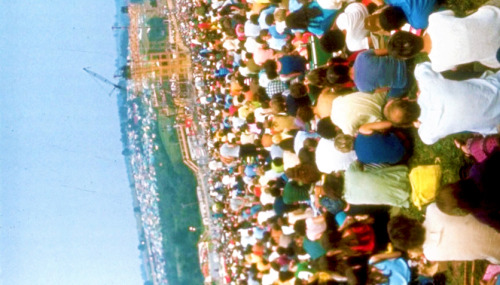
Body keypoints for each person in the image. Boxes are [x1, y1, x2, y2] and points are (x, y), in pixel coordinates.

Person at [387, 5, 500, 72]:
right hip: (494, 17)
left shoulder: (438, 65)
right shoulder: (434, 19)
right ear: (409, 33)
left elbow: (455, 66)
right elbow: (452, 13)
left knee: (480, 65)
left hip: (496, 54)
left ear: (410, 56)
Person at [388, 204, 500, 264]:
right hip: (495, 221)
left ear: (410, 247)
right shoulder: (432, 210)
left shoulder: (431, 254)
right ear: (411, 221)